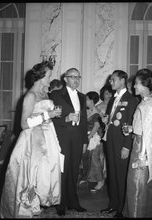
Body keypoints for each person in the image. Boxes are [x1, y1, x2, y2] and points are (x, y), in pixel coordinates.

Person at [0, 61, 62, 218]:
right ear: (41, 77)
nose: (50, 78)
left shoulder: (44, 94)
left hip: (47, 138)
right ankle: (23, 211)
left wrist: (52, 115)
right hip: (32, 141)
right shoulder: (30, 96)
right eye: (48, 75)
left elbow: (44, 116)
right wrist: (47, 115)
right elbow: (23, 124)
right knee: (30, 177)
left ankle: (34, 209)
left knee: (43, 177)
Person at [49, 68, 88, 216]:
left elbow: (83, 120)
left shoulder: (83, 97)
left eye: (78, 77)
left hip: (78, 138)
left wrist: (84, 141)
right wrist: (66, 118)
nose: (76, 80)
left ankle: (73, 202)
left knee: (73, 171)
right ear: (65, 79)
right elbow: (50, 118)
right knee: (62, 171)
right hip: (62, 138)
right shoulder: (55, 95)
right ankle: (60, 204)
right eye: (73, 77)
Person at [100, 70, 139, 218]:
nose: (111, 82)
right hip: (110, 141)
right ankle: (113, 205)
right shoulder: (112, 99)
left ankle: (122, 209)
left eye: (113, 79)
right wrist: (105, 121)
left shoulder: (131, 99)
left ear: (122, 80)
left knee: (121, 176)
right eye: (110, 80)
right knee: (112, 174)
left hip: (122, 143)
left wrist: (126, 146)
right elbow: (112, 120)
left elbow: (131, 124)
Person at [122, 68, 152, 218]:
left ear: (144, 85)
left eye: (136, 83)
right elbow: (142, 128)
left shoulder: (149, 105)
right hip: (137, 147)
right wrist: (131, 129)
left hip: (141, 151)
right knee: (135, 188)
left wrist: (142, 158)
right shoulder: (145, 103)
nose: (134, 86)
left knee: (137, 189)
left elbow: (149, 135)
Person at [79, 91, 105, 191]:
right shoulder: (88, 110)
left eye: (87, 99)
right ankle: (86, 177)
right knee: (86, 159)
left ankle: (100, 180)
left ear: (92, 100)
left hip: (94, 138)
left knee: (94, 160)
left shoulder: (96, 111)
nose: (85, 101)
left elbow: (96, 125)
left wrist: (89, 136)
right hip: (87, 136)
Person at [96, 85, 114, 180]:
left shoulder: (115, 105)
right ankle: (102, 177)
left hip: (112, 134)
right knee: (101, 156)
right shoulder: (98, 107)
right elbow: (96, 122)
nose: (109, 95)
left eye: (110, 93)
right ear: (103, 94)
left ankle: (110, 175)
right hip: (101, 133)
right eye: (106, 93)